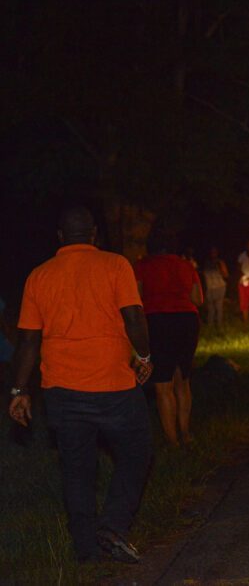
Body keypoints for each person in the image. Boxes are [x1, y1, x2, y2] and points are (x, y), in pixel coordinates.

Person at [8, 207, 153, 564]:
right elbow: (133, 316)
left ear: (59, 236)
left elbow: (27, 341)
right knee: (137, 452)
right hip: (114, 383)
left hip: (62, 388)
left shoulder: (38, 276)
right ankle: (113, 525)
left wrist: (19, 391)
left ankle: (86, 549)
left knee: (77, 469)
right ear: (94, 235)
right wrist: (145, 357)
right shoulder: (116, 265)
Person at [134, 233, 203, 446]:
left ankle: (172, 441)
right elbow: (198, 299)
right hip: (187, 321)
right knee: (183, 379)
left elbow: (135, 299)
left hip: (158, 321)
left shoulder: (142, 266)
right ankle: (185, 433)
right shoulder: (186, 266)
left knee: (163, 384)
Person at [202, 246, 229, 331]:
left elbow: (226, 275)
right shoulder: (206, 263)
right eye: (212, 252)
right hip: (210, 288)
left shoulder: (220, 262)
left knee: (218, 307)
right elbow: (204, 276)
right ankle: (210, 326)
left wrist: (220, 268)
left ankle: (219, 326)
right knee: (210, 308)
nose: (213, 254)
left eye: (215, 252)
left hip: (219, 287)